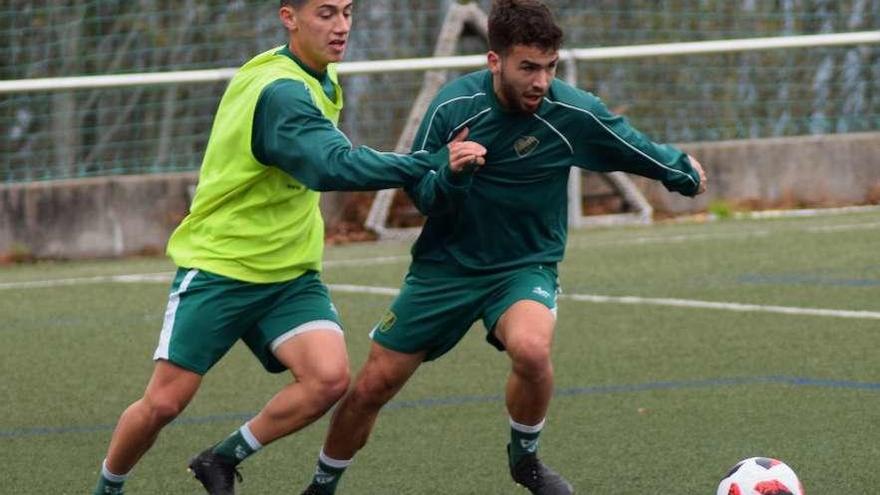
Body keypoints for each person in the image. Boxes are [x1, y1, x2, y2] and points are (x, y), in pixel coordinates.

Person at [299, 1, 708, 494]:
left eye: (550, 67)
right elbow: (421, 195)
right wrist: (452, 176)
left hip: (522, 266)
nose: (541, 81)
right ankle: (322, 486)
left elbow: (627, 143)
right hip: (445, 268)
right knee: (371, 388)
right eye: (528, 68)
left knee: (533, 350)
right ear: (495, 62)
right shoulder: (453, 108)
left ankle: (525, 460)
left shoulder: (569, 111)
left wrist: (679, 170)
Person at [90, 1, 486, 494]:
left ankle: (221, 457)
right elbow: (332, 166)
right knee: (164, 404)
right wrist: (430, 161)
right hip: (223, 266)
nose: (341, 26)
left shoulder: (316, 73)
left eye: (346, 11)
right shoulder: (281, 91)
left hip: (289, 273)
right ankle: (106, 489)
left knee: (327, 379)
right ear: (288, 17)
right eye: (325, 13)